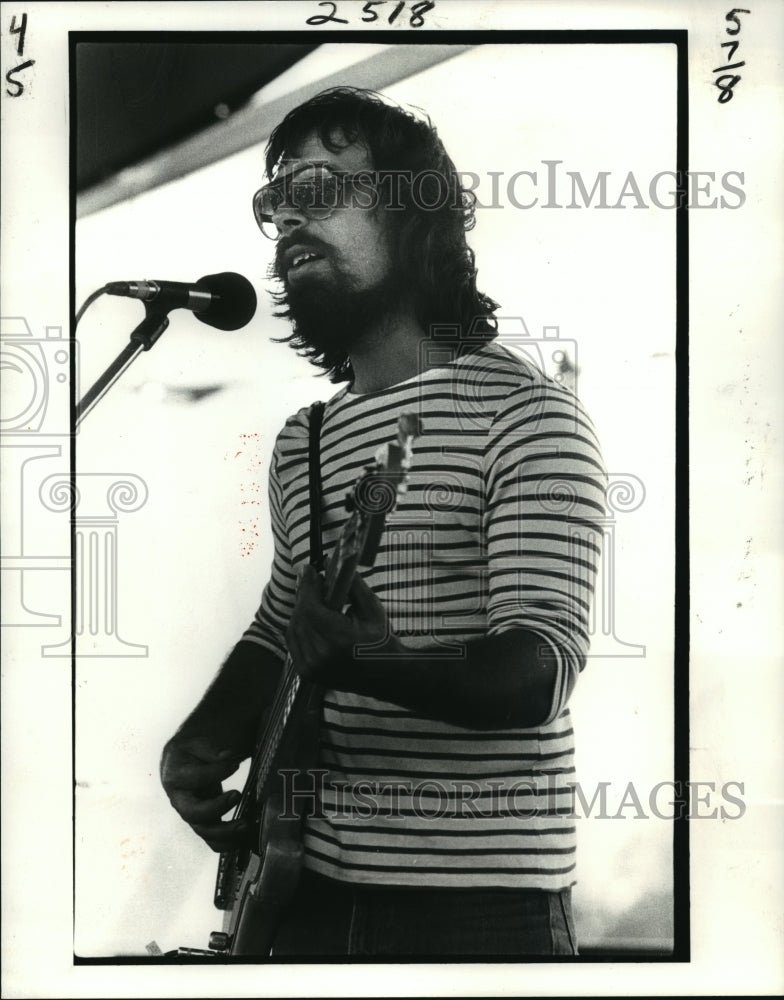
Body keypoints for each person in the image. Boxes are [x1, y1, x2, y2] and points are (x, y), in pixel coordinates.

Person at [160, 87, 606, 957]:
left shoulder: (525, 415)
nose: (287, 218)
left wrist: (372, 661)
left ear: (413, 213)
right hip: (300, 891)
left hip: (476, 915)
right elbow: (282, 631)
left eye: (319, 191)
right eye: (274, 202)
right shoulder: (307, 440)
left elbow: (539, 668)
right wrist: (202, 739)